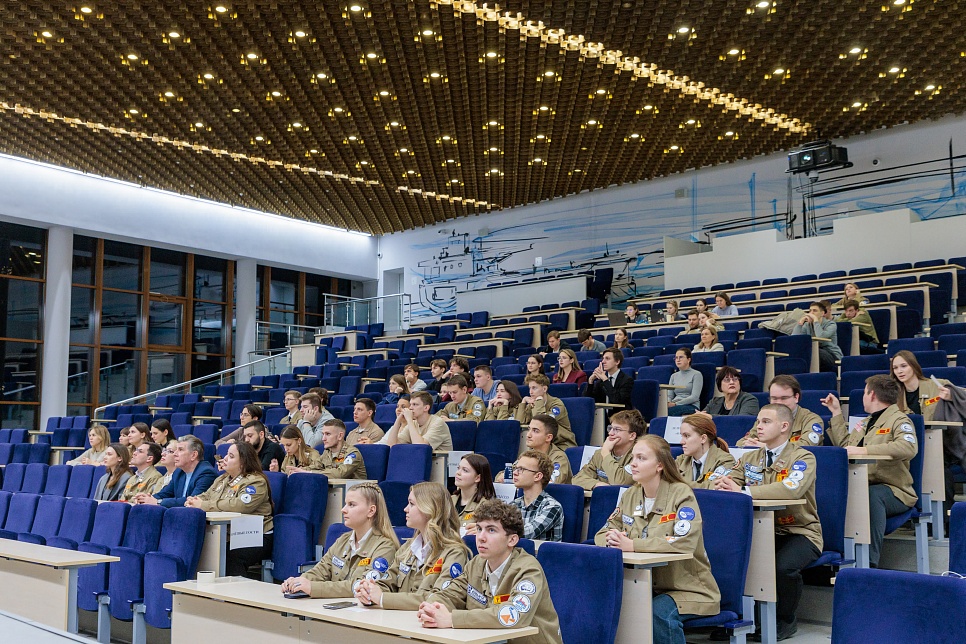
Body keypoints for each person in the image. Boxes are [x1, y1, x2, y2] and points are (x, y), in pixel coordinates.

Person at [596, 435, 720, 643]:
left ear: (660, 465)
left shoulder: (681, 494)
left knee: (658, 612)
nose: (633, 463)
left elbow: (684, 542)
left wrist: (633, 545)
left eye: (641, 458)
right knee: (607, 604)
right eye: (633, 457)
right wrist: (612, 539)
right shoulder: (630, 495)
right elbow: (602, 533)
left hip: (688, 589)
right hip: (645, 585)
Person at [713, 404, 822, 641]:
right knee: (728, 557)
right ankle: (738, 619)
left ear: (784, 426)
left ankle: (785, 620)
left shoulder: (803, 457)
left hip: (799, 531)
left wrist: (744, 491)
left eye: (765, 422)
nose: (758, 427)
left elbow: (791, 489)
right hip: (760, 530)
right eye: (758, 421)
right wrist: (725, 485)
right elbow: (729, 482)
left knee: (782, 567)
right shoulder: (750, 457)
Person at [416, 499, 563, 644]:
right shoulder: (476, 564)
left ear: (512, 540)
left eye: (491, 530)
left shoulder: (529, 569)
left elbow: (512, 615)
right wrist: (431, 609)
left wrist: (452, 619)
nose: (481, 537)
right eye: (479, 529)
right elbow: (449, 594)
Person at [822, 375, 918, 568]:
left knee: (871, 496)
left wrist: (865, 450)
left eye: (865, 392)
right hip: (860, 485)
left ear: (872, 394)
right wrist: (836, 412)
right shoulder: (866, 422)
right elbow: (846, 446)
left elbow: (908, 447)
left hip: (895, 490)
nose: (863, 396)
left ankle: (869, 564)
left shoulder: (900, 420)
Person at [355, 482, 472, 610]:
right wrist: (369, 591)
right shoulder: (408, 547)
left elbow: (438, 599)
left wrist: (382, 599)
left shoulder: (454, 552)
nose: (405, 509)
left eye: (411, 504)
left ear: (429, 509)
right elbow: (388, 582)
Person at [280, 483, 399, 597]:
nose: (343, 509)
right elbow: (321, 570)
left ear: (371, 511)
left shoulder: (385, 547)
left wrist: (313, 588)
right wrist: (298, 581)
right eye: (345, 504)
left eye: (351, 505)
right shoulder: (343, 540)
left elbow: (362, 586)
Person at [187, 441, 274, 577]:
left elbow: (240, 505)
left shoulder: (256, 481)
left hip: (256, 536)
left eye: (231, 456)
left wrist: (203, 505)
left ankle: (235, 590)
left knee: (228, 556)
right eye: (227, 454)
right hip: (228, 534)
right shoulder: (222, 479)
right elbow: (206, 495)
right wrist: (193, 501)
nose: (225, 458)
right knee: (202, 549)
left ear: (243, 462)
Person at [737, 375, 824, 447]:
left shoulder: (811, 420)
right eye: (774, 398)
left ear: (796, 397)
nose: (778, 403)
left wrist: (767, 447)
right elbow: (741, 443)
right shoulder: (764, 418)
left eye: (784, 398)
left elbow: (806, 446)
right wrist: (749, 444)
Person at [134, 435, 219, 507]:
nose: (175, 454)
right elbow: (165, 493)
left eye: (180, 450)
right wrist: (146, 498)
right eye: (176, 450)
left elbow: (193, 501)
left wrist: (158, 502)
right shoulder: (179, 472)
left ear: (193, 455)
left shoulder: (206, 473)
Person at [573, 409, 645, 490]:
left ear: (632, 436)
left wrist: (606, 454)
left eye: (617, 430)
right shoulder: (600, 453)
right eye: (610, 428)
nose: (610, 433)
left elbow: (620, 482)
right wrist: (597, 484)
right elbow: (578, 478)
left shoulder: (639, 457)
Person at [497, 415, 572, 485]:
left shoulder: (559, 457)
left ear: (548, 437)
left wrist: (520, 479)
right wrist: (504, 476)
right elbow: (504, 475)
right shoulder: (527, 455)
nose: (528, 435)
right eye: (529, 429)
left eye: (535, 431)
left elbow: (551, 483)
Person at [510, 450, 564, 542]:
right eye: (515, 468)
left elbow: (526, 533)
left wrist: (497, 531)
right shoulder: (514, 505)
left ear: (538, 476)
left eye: (521, 469)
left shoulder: (552, 507)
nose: (515, 473)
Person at [675, 414, 735, 489]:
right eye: (682, 436)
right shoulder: (680, 460)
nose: (681, 442)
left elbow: (716, 487)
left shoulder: (725, 460)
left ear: (703, 438)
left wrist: (678, 485)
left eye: (687, 436)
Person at [382, 391, 453, 450]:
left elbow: (420, 447)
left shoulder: (438, 423)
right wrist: (398, 420)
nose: (410, 408)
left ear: (426, 408)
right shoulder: (413, 423)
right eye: (410, 404)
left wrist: (409, 420)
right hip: (422, 461)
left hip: (440, 461)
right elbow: (391, 445)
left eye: (415, 404)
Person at [520, 374, 576, 449]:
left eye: (534, 388)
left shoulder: (557, 404)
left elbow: (542, 422)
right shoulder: (533, 403)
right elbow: (520, 421)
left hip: (562, 444)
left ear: (544, 389)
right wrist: (523, 402)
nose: (530, 392)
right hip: (543, 444)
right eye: (529, 388)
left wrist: (539, 401)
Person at [891, 350, 948, 420]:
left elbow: (960, 398)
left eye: (904, 366)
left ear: (914, 366)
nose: (899, 371)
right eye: (895, 368)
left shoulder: (938, 385)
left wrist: (951, 397)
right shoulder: (894, 394)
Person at [452, 454, 497, 536]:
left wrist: (481, 530)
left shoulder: (487, 505)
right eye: (458, 468)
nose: (458, 473)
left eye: (465, 470)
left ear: (477, 478)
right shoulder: (448, 500)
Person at [792, 301, 842, 372]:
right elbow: (794, 338)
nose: (811, 313)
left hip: (831, 354)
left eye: (815, 311)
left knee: (814, 352)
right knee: (801, 351)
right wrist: (800, 323)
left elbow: (821, 337)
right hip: (814, 351)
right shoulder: (807, 325)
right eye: (810, 311)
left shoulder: (831, 324)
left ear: (822, 313)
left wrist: (816, 321)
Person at [584, 347, 633, 414]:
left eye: (607, 359)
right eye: (603, 358)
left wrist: (605, 380)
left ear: (617, 362)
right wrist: (590, 381)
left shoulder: (627, 380)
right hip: (602, 417)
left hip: (620, 416)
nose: (603, 362)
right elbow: (587, 401)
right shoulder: (600, 381)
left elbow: (617, 400)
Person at [667, 348, 703, 416]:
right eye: (676, 358)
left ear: (688, 359)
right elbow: (670, 395)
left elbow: (694, 397)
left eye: (681, 357)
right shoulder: (673, 376)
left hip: (691, 405)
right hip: (675, 405)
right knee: (660, 411)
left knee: (669, 412)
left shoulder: (697, 374)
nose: (678, 360)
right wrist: (668, 403)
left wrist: (676, 404)